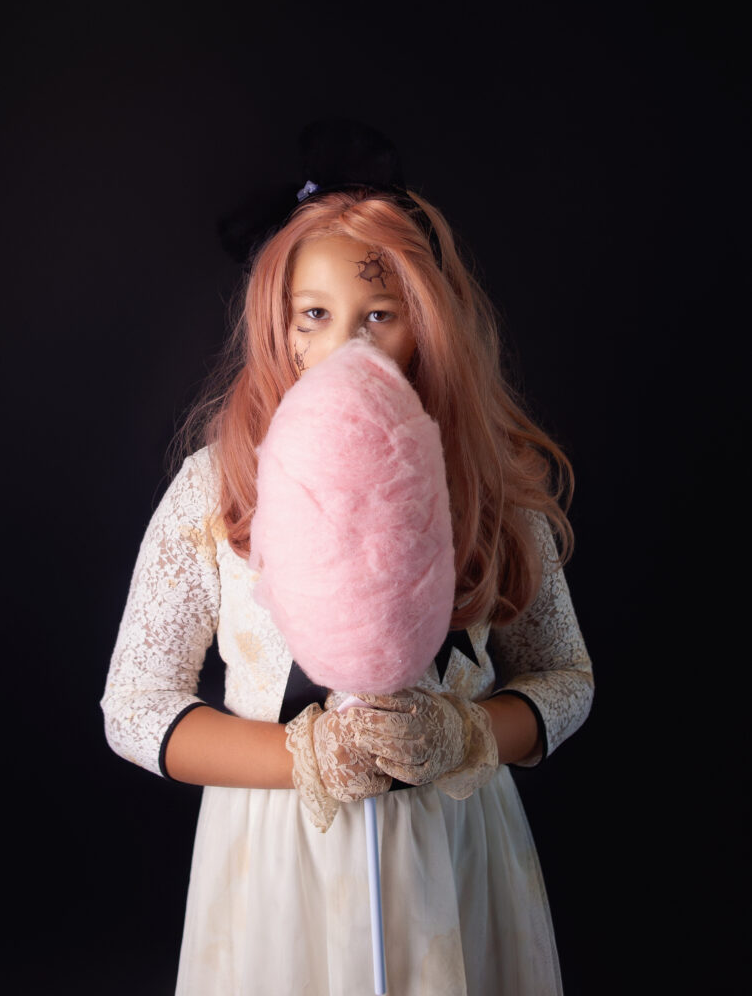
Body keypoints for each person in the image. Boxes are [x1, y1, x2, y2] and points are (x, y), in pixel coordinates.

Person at [100, 119, 594, 995]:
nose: (347, 346)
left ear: (423, 325)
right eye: (316, 316)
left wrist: (468, 733)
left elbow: (567, 678)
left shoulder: (484, 478)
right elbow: (135, 707)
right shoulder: (218, 487)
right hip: (280, 865)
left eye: (380, 315)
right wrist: (305, 758)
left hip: (451, 855)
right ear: (283, 332)